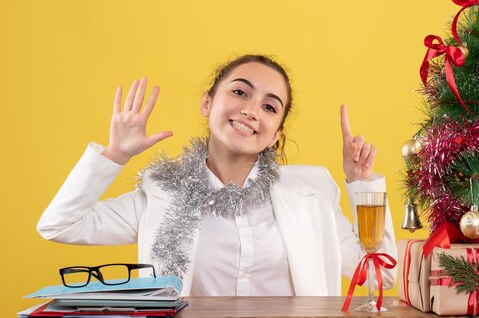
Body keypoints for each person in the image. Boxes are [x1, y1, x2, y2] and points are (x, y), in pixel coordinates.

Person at [37, 54, 397, 297]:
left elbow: (382, 276)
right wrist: (115, 155)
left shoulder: (310, 194)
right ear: (207, 103)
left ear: (276, 134)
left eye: (269, 106)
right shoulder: (161, 194)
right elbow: (59, 225)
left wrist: (361, 183)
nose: (250, 110)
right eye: (240, 91)